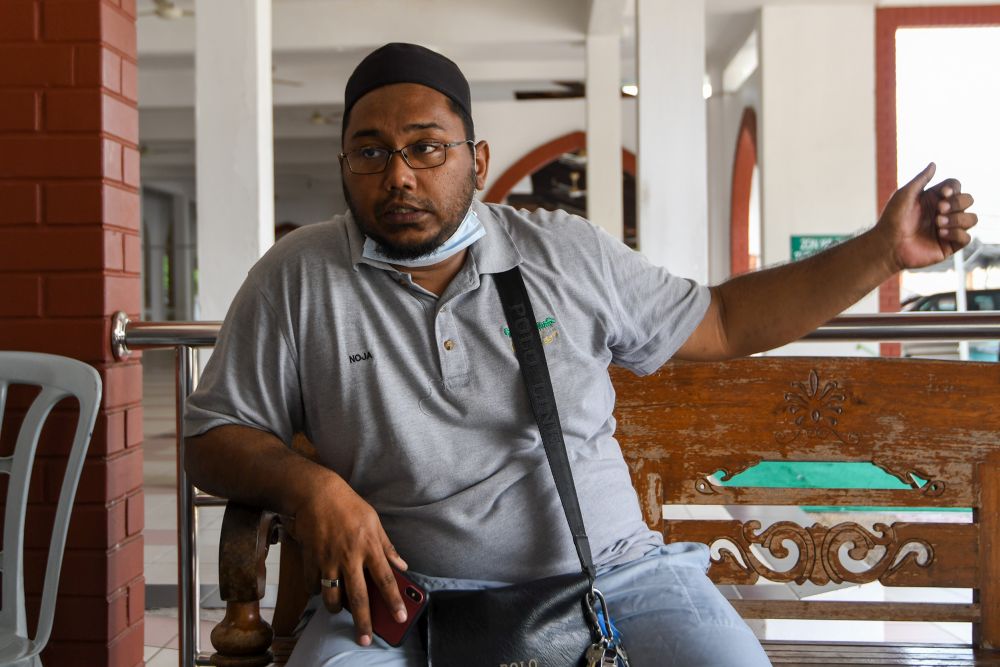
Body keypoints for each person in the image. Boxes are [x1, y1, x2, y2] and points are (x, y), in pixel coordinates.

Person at [184, 43, 977, 666]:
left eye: (427, 148)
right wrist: (312, 486)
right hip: (398, 602)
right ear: (344, 165)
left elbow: (726, 321)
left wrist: (881, 251)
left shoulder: (562, 253)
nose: (399, 175)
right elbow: (213, 438)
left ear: (478, 159)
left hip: (618, 580)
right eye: (370, 152)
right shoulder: (298, 277)